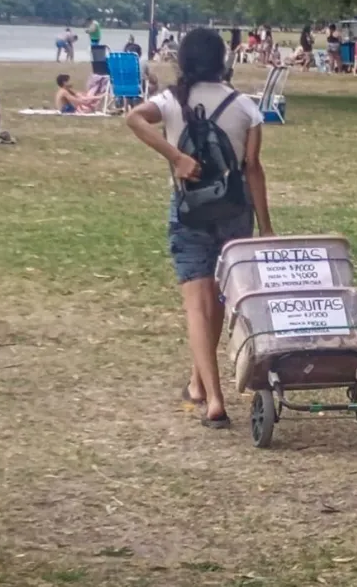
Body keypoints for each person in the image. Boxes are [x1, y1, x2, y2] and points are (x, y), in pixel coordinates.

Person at [124, 28, 273, 429]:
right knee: (219, 303)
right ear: (223, 60)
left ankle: (211, 397)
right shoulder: (245, 107)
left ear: (184, 60)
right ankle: (199, 385)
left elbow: (133, 118)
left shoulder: (172, 100)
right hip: (235, 214)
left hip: (188, 211)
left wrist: (176, 156)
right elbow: (253, 169)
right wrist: (266, 226)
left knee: (196, 304)